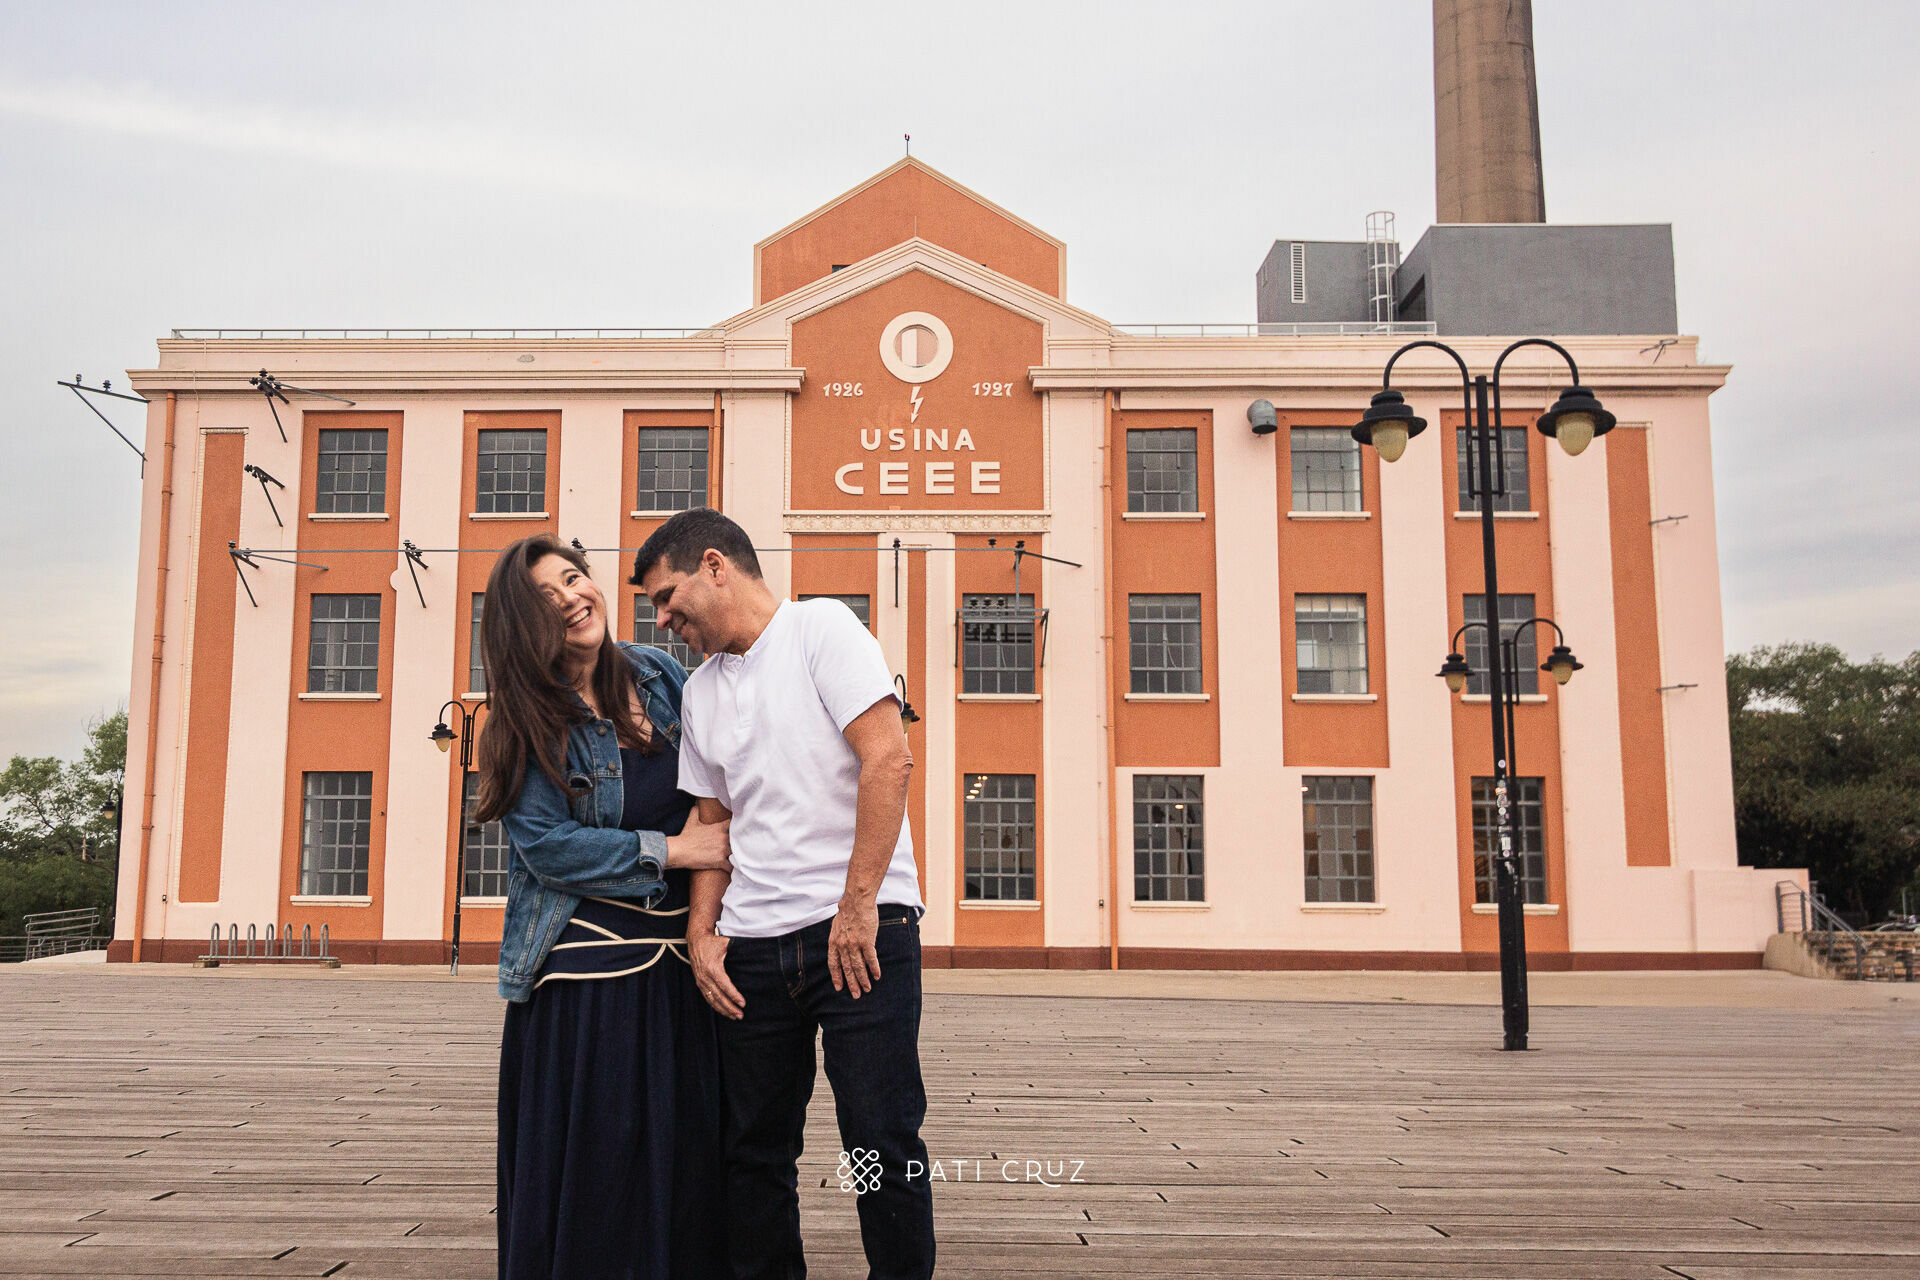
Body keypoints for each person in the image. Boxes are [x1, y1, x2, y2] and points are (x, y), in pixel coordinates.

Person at [632, 509, 936, 1280]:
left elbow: (889, 760)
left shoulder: (821, 630)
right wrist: (703, 934)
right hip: (754, 954)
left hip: (860, 936)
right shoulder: (699, 694)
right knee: (753, 1154)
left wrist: (857, 907)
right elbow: (712, 825)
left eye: (668, 598)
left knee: (880, 1143)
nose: (664, 620)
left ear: (714, 565)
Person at [474, 533, 733, 1280]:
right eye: (547, 597)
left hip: (684, 966)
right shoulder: (520, 718)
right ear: (523, 625)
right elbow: (546, 847)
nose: (573, 598)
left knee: (685, 1160)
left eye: (575, 578)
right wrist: (676, 852)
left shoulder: (661, 675)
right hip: (587, 982)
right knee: (603, 1166)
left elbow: (719, 780)